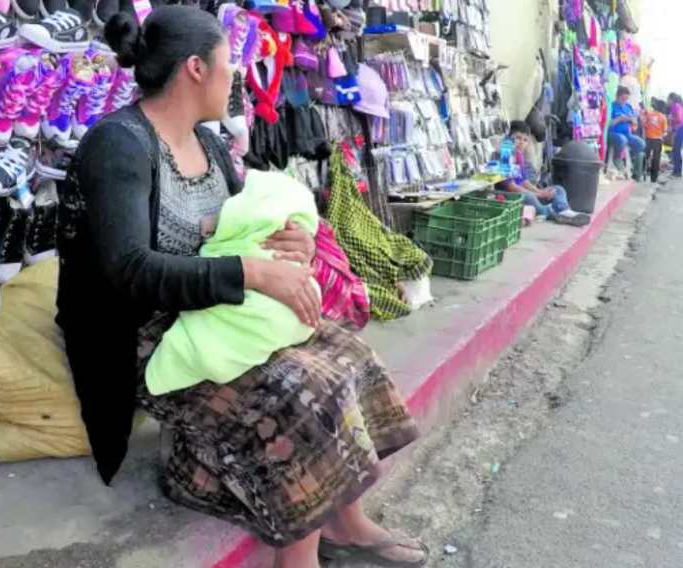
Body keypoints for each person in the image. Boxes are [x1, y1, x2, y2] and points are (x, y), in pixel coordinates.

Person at [56, 6, 426, 568]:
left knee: (347, 354)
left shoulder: (206, 146)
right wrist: (253, 273)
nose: (236, 74)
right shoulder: (120, 145)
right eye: (229, 63)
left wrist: (292, 244)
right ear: (195, 69)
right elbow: (128, 272)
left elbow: (242, 224)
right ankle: (297, 558)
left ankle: (345, 522)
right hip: (142, 334)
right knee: (302, 390)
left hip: (210, 311)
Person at [498, 121, 591, 227]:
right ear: (508, 138)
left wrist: (540, 191)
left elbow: (524, 181)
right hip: (509, 195)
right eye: (518, 138)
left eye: (525, 140)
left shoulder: (519, 155)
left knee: (558, 189)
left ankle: (564, 211)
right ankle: (550, 213)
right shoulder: (505, 155)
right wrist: (539, 195)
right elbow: (510, 187)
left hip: (522, 191)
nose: (521, 143)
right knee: (529, 196)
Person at [608, 86, 646, 180]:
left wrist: (633, 121)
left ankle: (634, 167)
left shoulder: (628, 107)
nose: (624, 101)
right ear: (617, 96)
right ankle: (617, 159)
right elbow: (608, 124)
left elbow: (635, 122)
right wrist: (619, 119)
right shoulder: (611, 106)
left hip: (627, 134)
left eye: (626, 99)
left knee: (641, 143)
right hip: (613, 133)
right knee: (622, 139)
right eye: (623, 99)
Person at [642, 98, 668, 183]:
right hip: (657, 140)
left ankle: (642, 173)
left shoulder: (649, 115)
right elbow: (665, 132)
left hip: (648, 139)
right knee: (656, 158)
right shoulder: (663, 117)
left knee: (645, 156)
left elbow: (644, 125)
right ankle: (654, 178)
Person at [669, 93, 683, 178]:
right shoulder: (678, 106)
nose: (668, 101)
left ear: (672, 99)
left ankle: (677, 171)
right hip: (679, 129)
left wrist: (671, 118)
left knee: (676, 150)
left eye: (668, 99)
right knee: (676, 150)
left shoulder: (675, 106)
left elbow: (679, 119)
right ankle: (676, 170)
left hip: (679, 129)